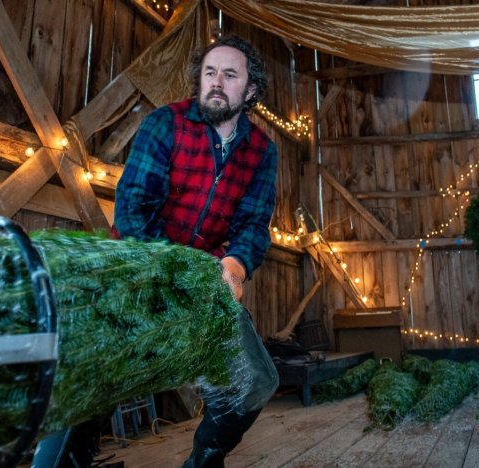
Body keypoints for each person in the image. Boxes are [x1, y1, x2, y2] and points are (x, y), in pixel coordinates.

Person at [113, 35, 279, 468]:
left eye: (229, 74)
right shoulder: (163, 124)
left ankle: (204, 459)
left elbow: (253, 224)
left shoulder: (262, 152)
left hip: (208, 280)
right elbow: (133, 209)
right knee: (92, 375)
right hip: (138, 271)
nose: (216, 82)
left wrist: (236, 266)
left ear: (251, 90)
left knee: (254, 382)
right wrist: (173, 273)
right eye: (209, 73)